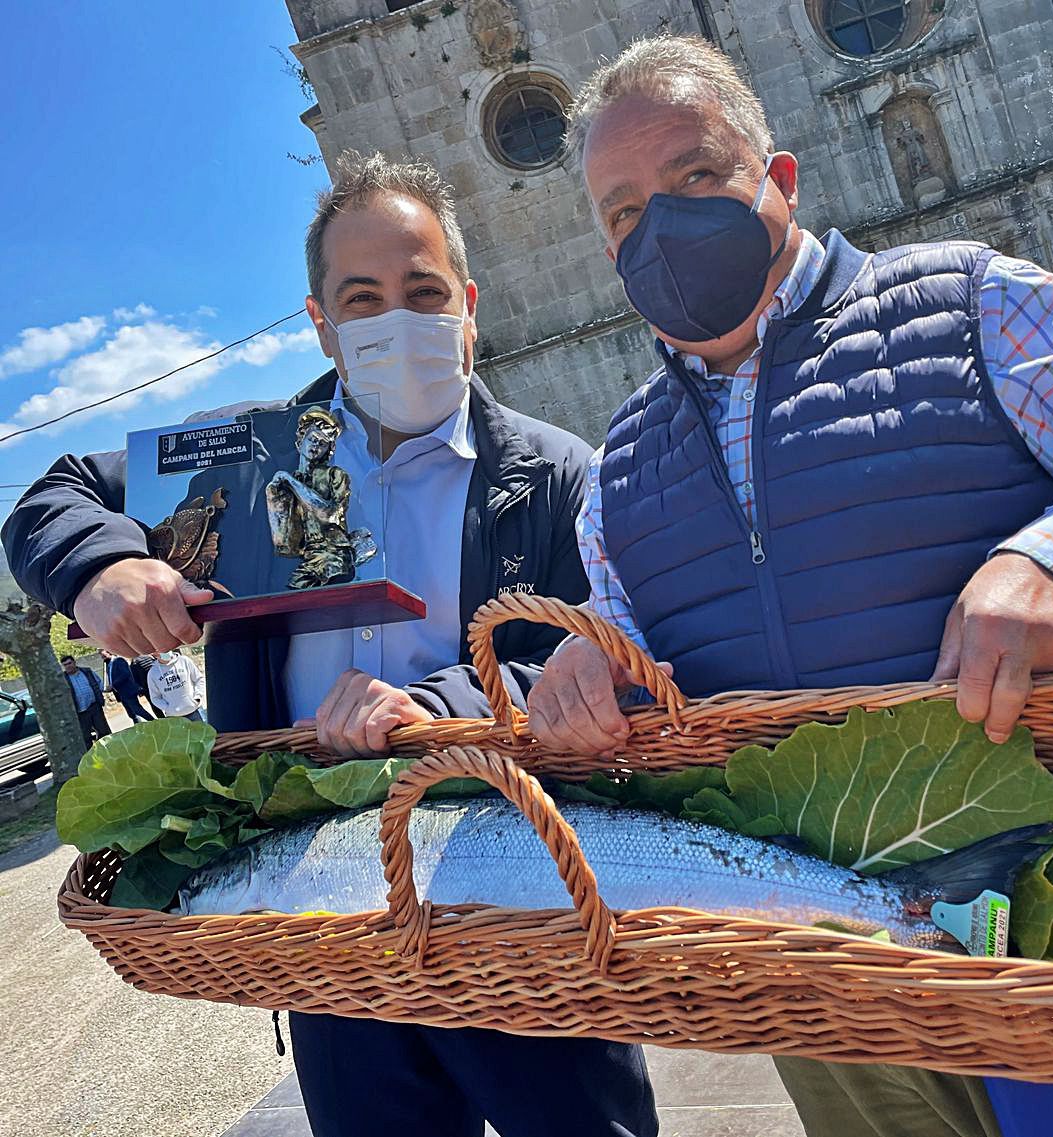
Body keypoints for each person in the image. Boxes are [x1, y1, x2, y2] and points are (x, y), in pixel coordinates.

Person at [527, 35, 1053, 1137]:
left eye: (695, 176)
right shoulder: (619, 468)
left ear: (777, 180)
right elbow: (638, 654)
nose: (662, 225)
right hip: (817, 976)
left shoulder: (972, 307)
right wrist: (591, 659)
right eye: (625, 212)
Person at [1, 152, 656, 1137]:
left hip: (520, 906)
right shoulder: (241, 461)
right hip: (324, 929)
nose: (397, 317)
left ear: (468, 303)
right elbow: (55, 493)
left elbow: (601, 648)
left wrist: (438, 709)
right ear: (320, 322)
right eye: (362, 297)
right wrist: (101, 569)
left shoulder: (559, 476)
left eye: (422, 290)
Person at [61, 654, 111, 743]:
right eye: (65, 665)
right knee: (86, 737)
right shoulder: (63, 679)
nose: (68, 666)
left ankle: (110, 748)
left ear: (74, 662)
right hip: (80, 712)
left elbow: (98, 682)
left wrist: (101, 694)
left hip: (94, 706)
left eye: (69, 663)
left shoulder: (86, 671)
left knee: (103, 730)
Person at [146, 649, 206, 722]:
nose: (161, 650)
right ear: (153, 654)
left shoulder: (184, 661)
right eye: (156, 649)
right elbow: (155, 698)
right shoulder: (152, 673)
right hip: (175, 718)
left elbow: (199, 679)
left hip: (195, 710)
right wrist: (168, 707)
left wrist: (197, 697)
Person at [101, 648, 154, 723]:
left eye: (101, 653)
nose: (101, 656)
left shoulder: (119, 661)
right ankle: (138, 726)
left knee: (137, 710)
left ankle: (152, 722)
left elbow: (125, 674)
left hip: (128, 691)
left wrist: (113, 685)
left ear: (108, 652)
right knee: (131, 713)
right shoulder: (109, 665)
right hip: (121, 693)